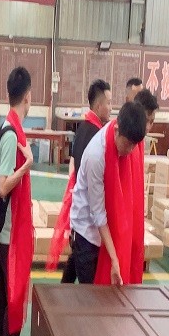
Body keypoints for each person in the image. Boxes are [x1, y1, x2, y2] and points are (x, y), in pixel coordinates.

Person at [0, 68, 36, 336]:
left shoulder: (8, 127)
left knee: (0, 292)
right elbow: (4, 186)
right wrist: (27, 164)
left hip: (9, 232)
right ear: (28, 97)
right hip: (10, 234)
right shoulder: (10, 133)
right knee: (12, 296)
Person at [67, 102, 147, 286]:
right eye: (127, 144)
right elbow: (98, 214)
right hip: (87, 232)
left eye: (134, 146)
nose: (130, 151)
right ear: (117, 130)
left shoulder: (126, 147)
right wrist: (114, 258)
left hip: (105, 232)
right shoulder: (97, 156)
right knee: (91, 294)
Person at [48, 79, 110, 277]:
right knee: (87, 283)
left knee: (73, 263)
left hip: (78, 205)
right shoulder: (97, 136)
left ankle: (61, 292)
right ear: (98, 106)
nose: (111, 108)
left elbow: (73, 165)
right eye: (108, 103)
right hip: (86, 214)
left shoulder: (83, 128)